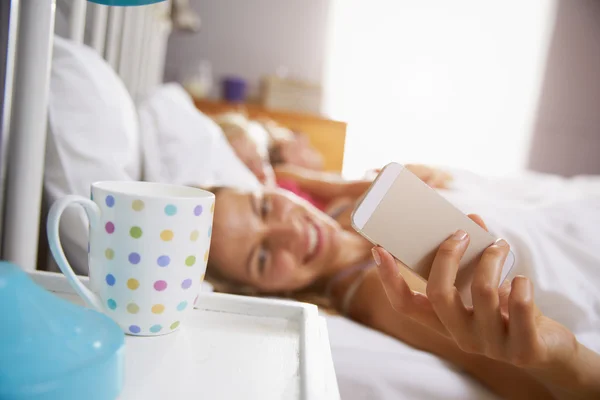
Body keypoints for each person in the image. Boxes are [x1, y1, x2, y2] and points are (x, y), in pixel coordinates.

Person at [206, 178, 600, 399]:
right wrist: (566, 361)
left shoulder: (347, 206)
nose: (290, 231)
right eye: (261, 257)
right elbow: (525, 385)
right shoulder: (380, 293)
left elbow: (284, 168)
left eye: (263, 207)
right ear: (261, 292)